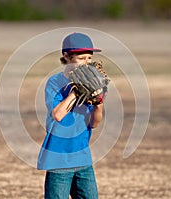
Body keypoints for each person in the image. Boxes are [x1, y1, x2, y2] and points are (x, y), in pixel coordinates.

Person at [37, 32, 104, 199]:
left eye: (89, 58)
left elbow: (94, 123)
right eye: (81, 58)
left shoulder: (93, 82)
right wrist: (76, 91)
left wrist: (99, 102)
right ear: (66, 57)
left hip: (82, 158)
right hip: (58, 159)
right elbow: (58, 115)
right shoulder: (55, 82)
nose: (87, 63)